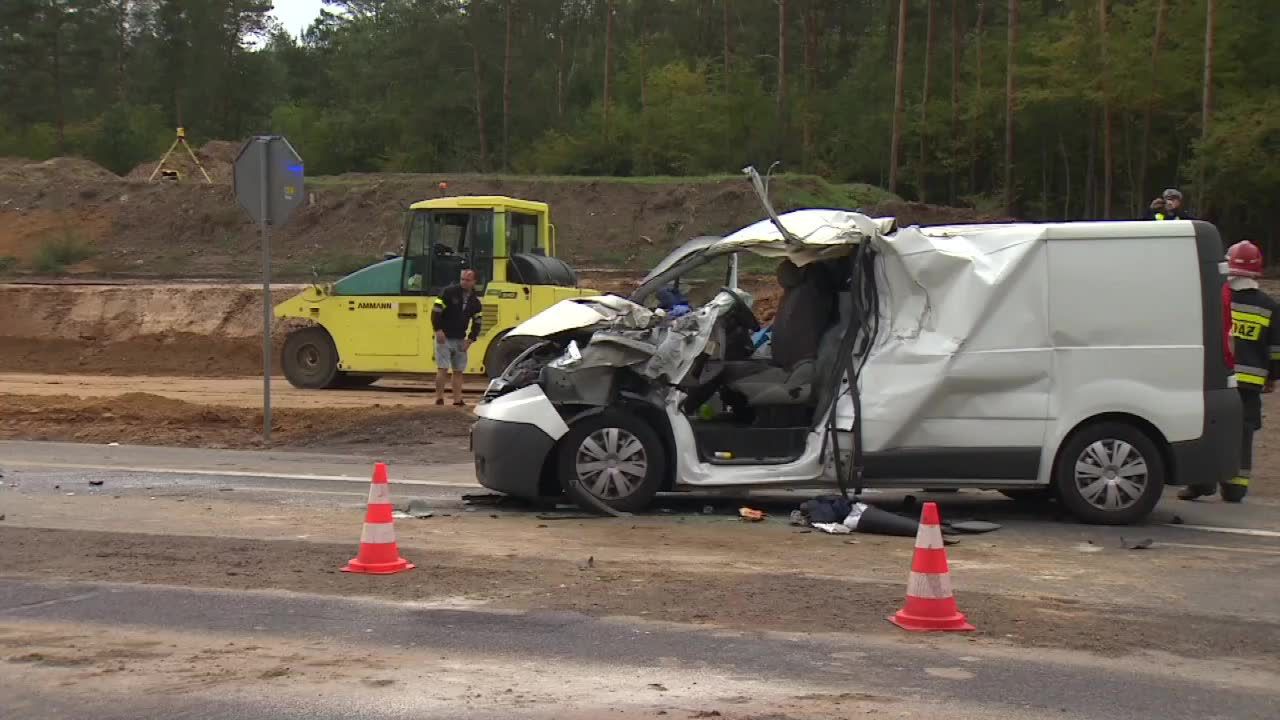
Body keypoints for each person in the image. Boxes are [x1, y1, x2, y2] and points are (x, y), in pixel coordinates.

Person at [1181, 241, 1276, 502]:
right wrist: (1272, 377)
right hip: (1251, 384)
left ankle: (1201, 483)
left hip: (1218, 379)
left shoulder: (1216, 300)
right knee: (1243, 434)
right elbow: (1276, 349)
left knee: (1207, 429)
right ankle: (1236, 487)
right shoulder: (1269, 306)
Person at [431, 269, 483, 406]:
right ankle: (439, 398)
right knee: (442, 368)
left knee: (458, 370)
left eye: (467, 280)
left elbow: (478, 322)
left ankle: (457, 400)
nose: (464, 282)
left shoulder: (475, 301)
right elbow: (436, 311)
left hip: (460, 338)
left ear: (474, 282)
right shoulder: (448, 292)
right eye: (462, 279)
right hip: (445, 337)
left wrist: (470, 340)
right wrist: (438, 330)